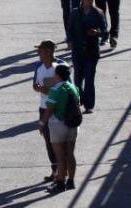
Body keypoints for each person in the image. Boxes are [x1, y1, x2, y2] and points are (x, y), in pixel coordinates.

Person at [42, 63, 81, 193]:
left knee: (60, 156)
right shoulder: (73, 87)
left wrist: (42, 123)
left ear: (57, 75)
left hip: (58, 125)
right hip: (73, 125)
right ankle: (71, 181)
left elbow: (49, 110)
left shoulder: (55, 90)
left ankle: (60, 183)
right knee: (70, 153)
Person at [68, 0, 106, 112]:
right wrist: (70, 41)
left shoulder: (99, 13)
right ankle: (79, 101)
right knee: (77, 80)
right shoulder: (75, 13)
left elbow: (105, 32)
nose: (90, 0)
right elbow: (70, 30)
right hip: (78, 51)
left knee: (89, 79)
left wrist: (97, 32)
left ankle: (89, 105)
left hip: (92, 52)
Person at [33, 40, 65, 182]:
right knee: (48, 141)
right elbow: (35, 84)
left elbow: (66, 85)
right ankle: (55, 170)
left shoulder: (61, 66)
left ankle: (63, 172)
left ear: (49, 52)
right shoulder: (38, 66)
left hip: (57, 109)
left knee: (59, 141)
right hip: (43, 108)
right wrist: (38, 87)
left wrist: (49, 89)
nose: (38, 53)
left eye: (40, 50)